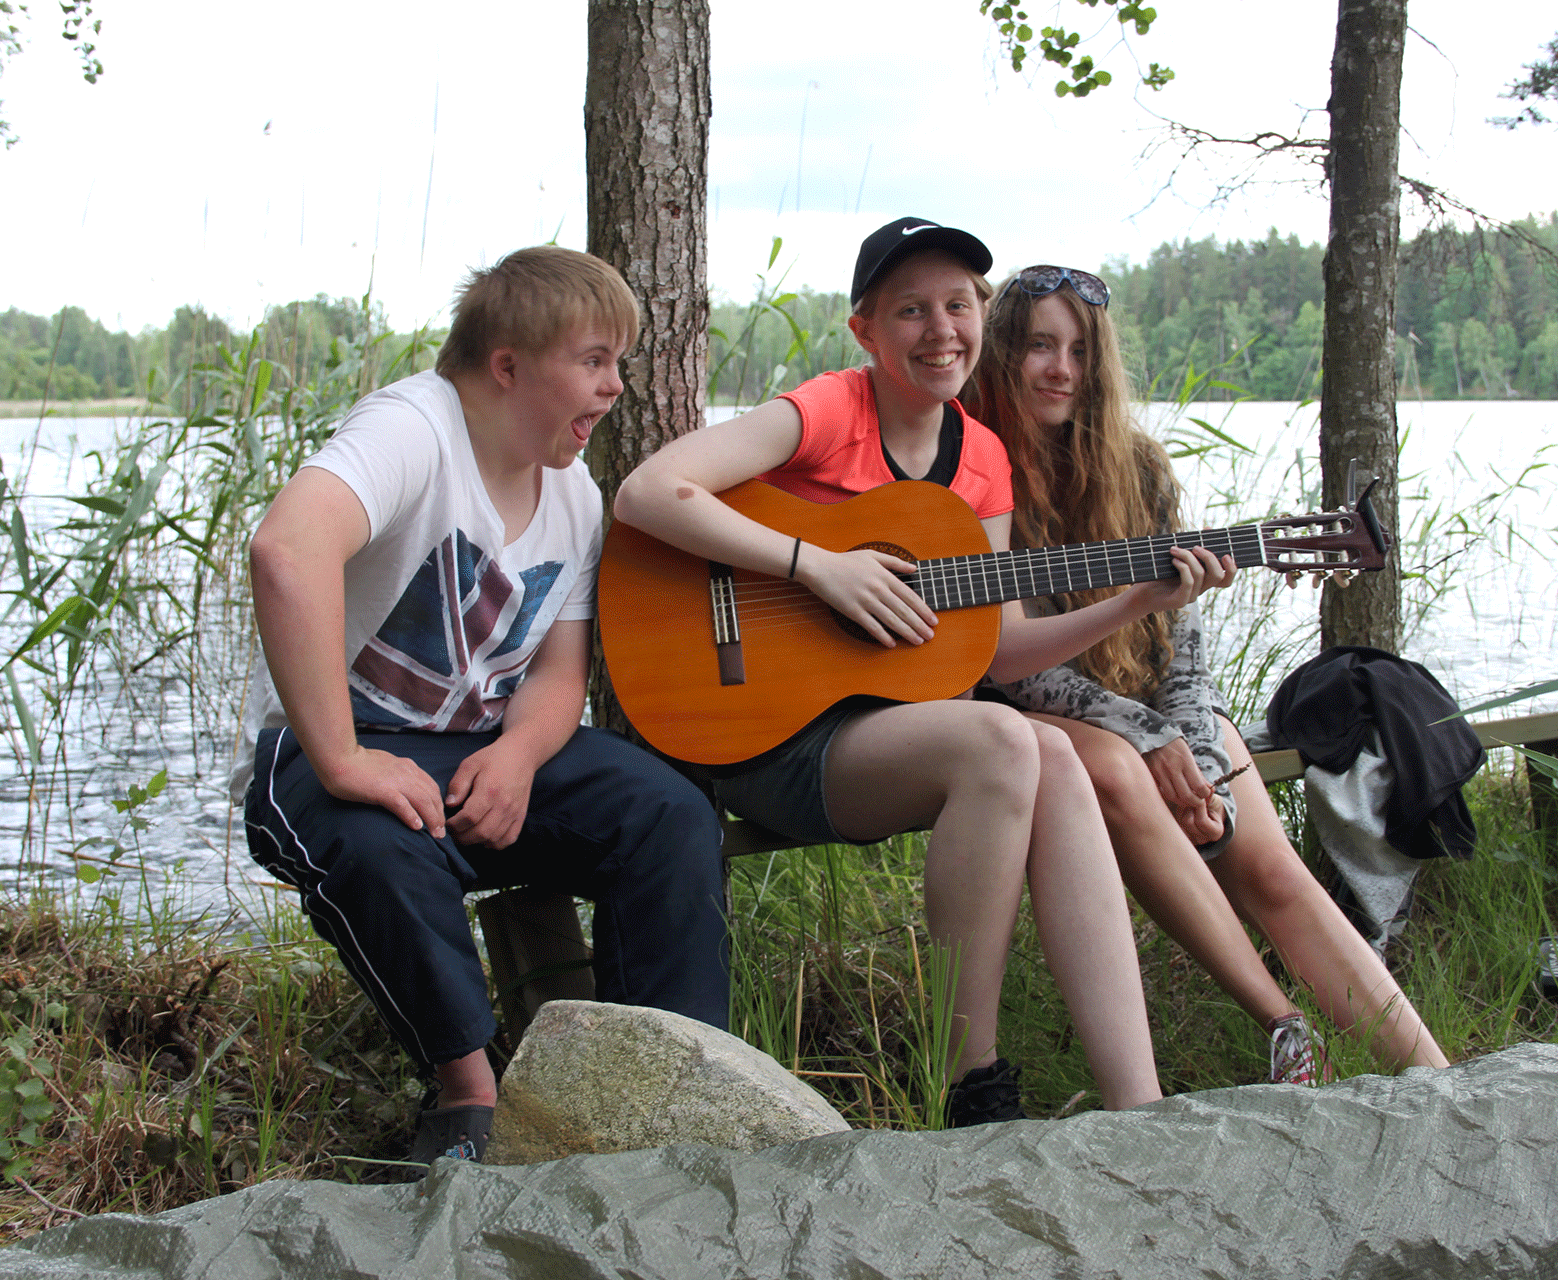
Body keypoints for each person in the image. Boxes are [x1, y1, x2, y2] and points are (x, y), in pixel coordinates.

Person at [613, 218, 1231, 1124]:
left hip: (869, 734)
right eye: (911, 310)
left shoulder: (981, 458)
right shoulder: (829, 411)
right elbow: (647, 493)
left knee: (1054, 754)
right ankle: (968, 1081)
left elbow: (998, 648)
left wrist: (1135, 601)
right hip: (758, 730)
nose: (941, 330)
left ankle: (1137, 1106)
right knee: (1002, 739)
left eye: (957, 305)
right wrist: (816, 566)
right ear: (865, 330)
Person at [238, 246, 729, 1166]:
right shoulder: (413, 430)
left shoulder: (573, 494)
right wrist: (343, 759)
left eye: (619, 363)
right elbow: (287, 550)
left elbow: (559, 674)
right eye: (594, 361)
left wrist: (516, 757)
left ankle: (666, 1084)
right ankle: (471, 1096)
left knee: (667, 812)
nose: (615, 386)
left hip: (479, 749)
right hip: (328, 746)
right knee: (381, 845)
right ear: (507, 365)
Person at [968, 264, 1450, 1078]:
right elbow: (1013, 667)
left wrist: (1191, 744)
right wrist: (1148, 736)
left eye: (1080, 351)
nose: (1061, 370)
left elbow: (1179, 637)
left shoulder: (1139, 467)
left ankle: (1440, 1083)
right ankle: (1284, 1029)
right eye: (1040, 346)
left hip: (1151, 706)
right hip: (1039, 713)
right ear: (1003, 352)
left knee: (1270, 868)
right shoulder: (977, 470)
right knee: (1119, 768)